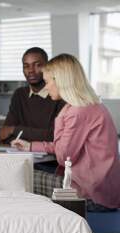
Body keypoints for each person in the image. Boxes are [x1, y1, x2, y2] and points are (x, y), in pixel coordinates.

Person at [11, 53, 120, 210]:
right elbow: (64, 146)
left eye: (47, 82)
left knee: (21, 177)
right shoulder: (89, 105)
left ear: (61, 81)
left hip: (90, 194)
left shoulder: (77, 111)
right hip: (102, 188)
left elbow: (63, 156)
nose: (46, 87)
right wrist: (29, 146)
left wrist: (59, 118)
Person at [0, 47, 65, 144]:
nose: (30, 70)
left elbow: (55, 135)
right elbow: (4, 133)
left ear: (47, 67)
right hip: (22, 155)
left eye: (37, 65)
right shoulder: (19, 95)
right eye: (26, 66)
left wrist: (15, 130)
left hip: (51, 157)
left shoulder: (58, 95)